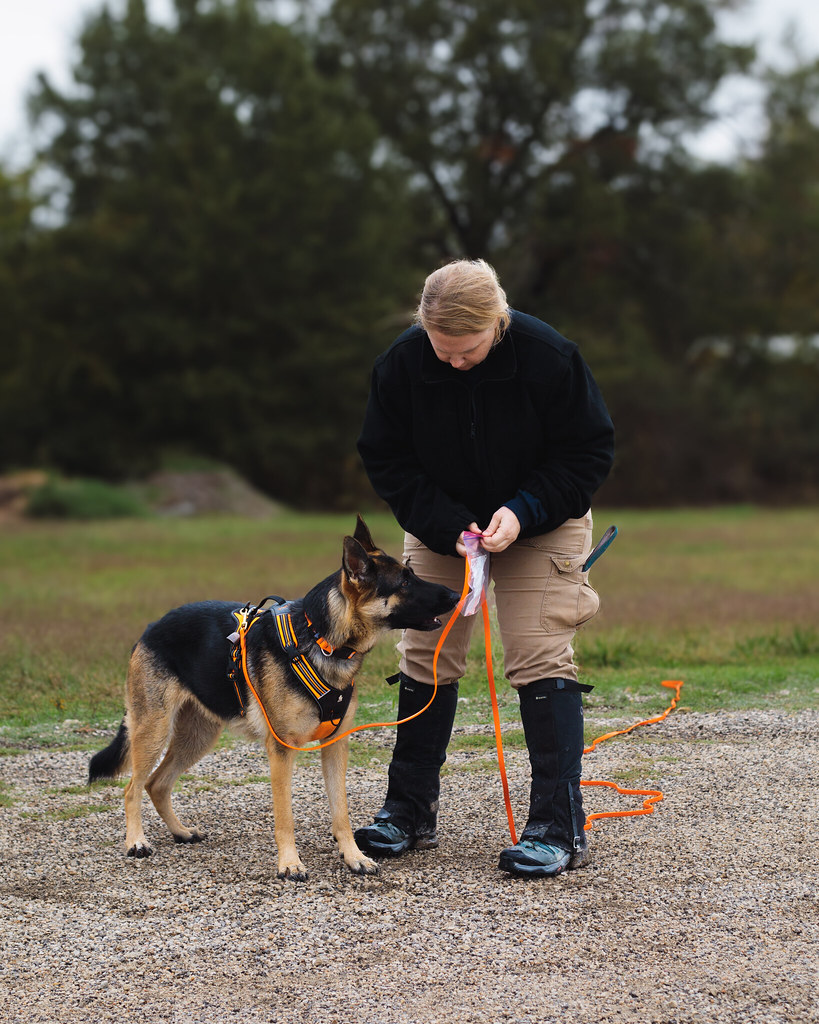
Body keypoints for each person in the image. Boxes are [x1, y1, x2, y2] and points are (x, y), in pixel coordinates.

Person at [354, 259, 615, 877]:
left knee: (538, 654)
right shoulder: (402, 364)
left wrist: (522, 512)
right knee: (426, 654)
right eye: (441, 350)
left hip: (539, 522)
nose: (452, 362)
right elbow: (387, 460)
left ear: (497, 325)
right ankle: (408, 811)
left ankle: (557, 826)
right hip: (444, 528)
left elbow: (587, 452)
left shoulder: (549, 356)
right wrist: (448, 526)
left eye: (465, 350)